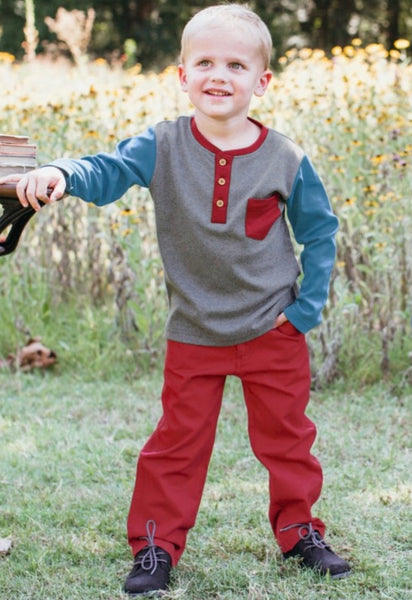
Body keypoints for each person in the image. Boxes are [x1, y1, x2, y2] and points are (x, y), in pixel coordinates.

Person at [0, 3, 351, 595]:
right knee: (176, 445)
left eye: (237, 64)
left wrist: (303, 313)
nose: (220, 74)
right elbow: (106, 168)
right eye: (205, 61)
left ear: (261, 82)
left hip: (273, 329)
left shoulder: (286, 158)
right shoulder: (161, 144)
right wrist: (63, 172)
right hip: (194, 331)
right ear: (182, 75)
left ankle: (300, 533)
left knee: (288, 439)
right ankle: (156, 547)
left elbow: (320, 234)